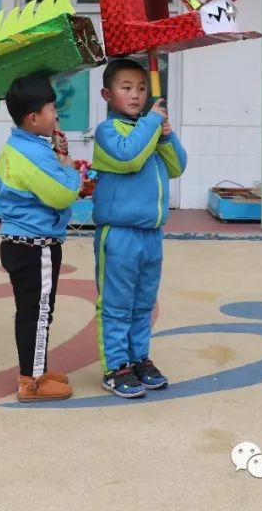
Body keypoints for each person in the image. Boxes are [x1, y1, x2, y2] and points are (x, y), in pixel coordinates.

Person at [92, 59, 187, 398]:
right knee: (116, 304)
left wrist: (166, 135)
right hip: (119, 234)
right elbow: (127, 157)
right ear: (107, 94)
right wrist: (151, 123)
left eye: (142, 88)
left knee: (143, 303)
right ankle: (116, 367)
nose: (136, 95)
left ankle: (139, 358)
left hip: (151, 235)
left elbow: (177, 166)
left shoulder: (149, 129)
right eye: (126, 88)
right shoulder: (109, 131)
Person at [0, 74, 82, 402]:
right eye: (51, 109)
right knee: (39, 312)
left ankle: (36, 369)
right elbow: (62, 194)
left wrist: (55, 156)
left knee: (32, 311)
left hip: (20, 243)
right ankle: (31, 381)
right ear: (33, 118)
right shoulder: (33, 155)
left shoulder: (20, 145)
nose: (56, 115)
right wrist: (69, 168)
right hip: (37, 247)